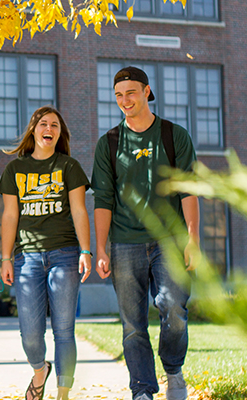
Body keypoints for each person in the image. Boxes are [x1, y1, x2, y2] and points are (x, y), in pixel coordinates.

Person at [91, 66, 199, 400]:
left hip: (170, 238)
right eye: (119, 95)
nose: (125, 100)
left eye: (131, 93)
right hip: (125, 243)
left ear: (147, 91)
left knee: (174, 310)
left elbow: (188, 191)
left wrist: (193, 239)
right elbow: (104, 200)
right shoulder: (109, 143)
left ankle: (173, 370)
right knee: (133, 324)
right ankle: (142, 389)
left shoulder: (173, 135)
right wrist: (101, 249)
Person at [0, 105, 92, 400]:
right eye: (43, 124)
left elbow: (79, 210)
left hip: (64, 254)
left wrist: (86, 250)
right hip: (27, 259)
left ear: (59, 133)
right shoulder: (15, 169)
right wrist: (5, 258)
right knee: (30, 334)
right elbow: (10, 216)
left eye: (55, 125)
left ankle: (63, 394)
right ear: (33, 130)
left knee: (64, 329)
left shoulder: (69, 166)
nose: (49, 129)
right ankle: (40, 370)